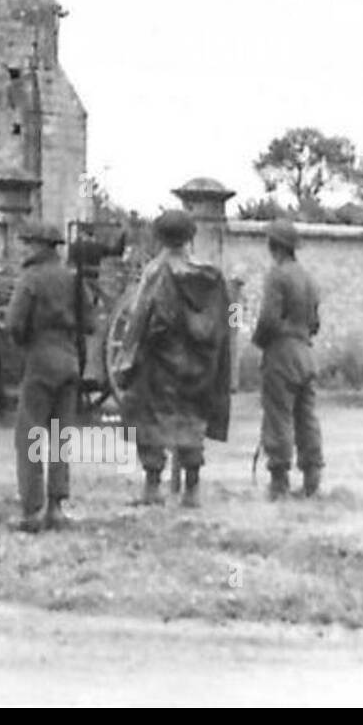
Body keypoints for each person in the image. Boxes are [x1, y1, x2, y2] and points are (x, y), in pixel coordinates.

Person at [117, 210, 232, 508]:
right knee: (192, 418)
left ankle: (152, 487)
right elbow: (224, 320)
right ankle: (192, 490)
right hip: (199, 363)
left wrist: (127, 356)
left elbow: (140, 317)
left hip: (160, 362)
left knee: (150, 419)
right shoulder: (211, 276)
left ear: (159, 237)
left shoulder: (157, 272)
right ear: (190, 237)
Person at [5, 222, 91, 533]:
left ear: (41, 245)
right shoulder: (73, 277)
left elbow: (14, 323)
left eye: (28, 242)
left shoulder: (30, 278)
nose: (24, 248)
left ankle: (31, 511)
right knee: (59, 436)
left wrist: (24, 342)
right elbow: (91, 322)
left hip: (39, 361)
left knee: (28, 437)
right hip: (69, 362)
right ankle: (56, 508)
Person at [252, 219, 322, 499]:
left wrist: (259, 341)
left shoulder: (276, 275)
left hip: (282, 353)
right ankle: (312, 477)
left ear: (274, 246)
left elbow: (268, 319)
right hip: (306, 352)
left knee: (278, 416)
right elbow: (315, 323)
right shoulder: (309, 278)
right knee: (307, 417)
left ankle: (279, 481)